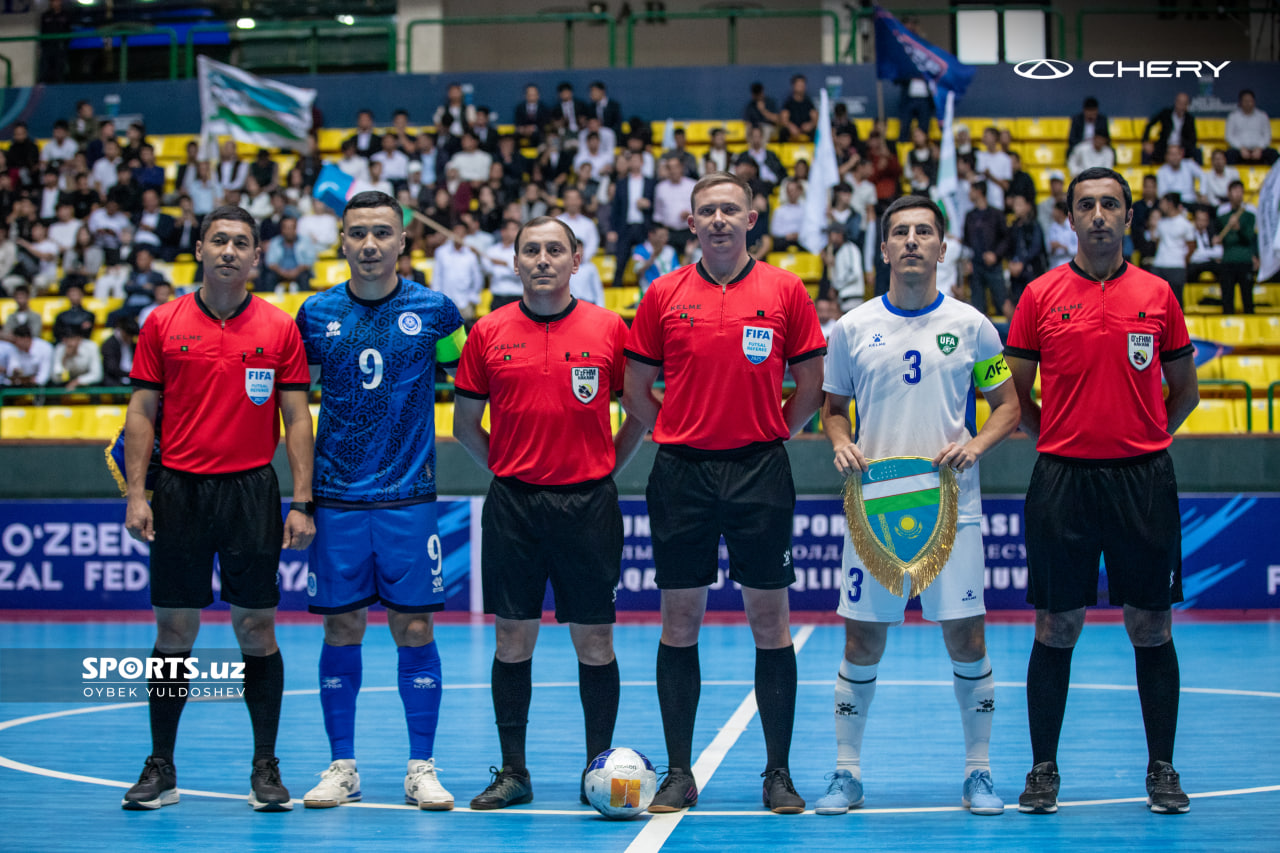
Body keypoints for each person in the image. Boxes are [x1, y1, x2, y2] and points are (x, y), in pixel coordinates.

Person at [622, 171, 827, 815]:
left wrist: (769, 433)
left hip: (759, 472)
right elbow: (634, 389)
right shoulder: (663, 293)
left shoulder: (785, 289)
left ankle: (778, 774)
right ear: (690, 222)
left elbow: (812, 388)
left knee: (771, 622)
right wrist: (673, 432)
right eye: (706, 210)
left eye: (728, 210)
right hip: (681, 473)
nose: (717, 220)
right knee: (679, 622)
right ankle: (679, 772)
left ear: (750, 219)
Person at [814, 194, 1020, 817]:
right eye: (899, 232)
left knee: (966, 638)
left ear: (941, 246)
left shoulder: (973, 325)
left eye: (923, 232)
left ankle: (978, 773)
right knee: (861, 643)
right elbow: (831, 410)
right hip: (872, 509)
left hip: (952, 508)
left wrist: (976, 443)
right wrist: (842, 441)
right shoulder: (851, 329)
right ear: (883, 249)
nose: (910, 241)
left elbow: (1008, 406)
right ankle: (847, 774)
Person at [1004, 167, 1199, 816]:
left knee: (1150, 624)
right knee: (1056, 624)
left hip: (1143, 479)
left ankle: (1163, 768)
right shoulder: (1039, 294)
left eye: (1109, 204)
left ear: (1128, 216)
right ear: (1069, 218)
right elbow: (1016, 395)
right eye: (1085, 204)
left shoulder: (1158, 294)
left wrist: (1144, 437)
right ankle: (1042, 768)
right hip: (1063, 478)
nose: (1097, 215)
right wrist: (1059, 437)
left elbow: (1186, 390)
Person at [121, 205, 316, 812]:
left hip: (252, 492)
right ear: (200, 249)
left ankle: (265, 767)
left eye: (241, 243)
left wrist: (302, 500)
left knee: (256, 627)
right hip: (180, 492)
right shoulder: (162, 321)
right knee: (174, 629)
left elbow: (295, 419)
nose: (229, 251)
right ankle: (161, 767)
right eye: (219, 240)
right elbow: (141, 413)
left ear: (257, 256)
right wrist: (135, 492)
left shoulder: (280, 329)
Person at [453, 216, 646, 809]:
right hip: (513, 505)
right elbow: (464, 427)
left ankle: (600, 771)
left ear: (576, 258)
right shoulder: (487, 331)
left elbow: (638, 413)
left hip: (588, 504)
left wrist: (602, 467)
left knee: (595, 641)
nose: (542, 259)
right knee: (512, 638)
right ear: (513, 262)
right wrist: (512, 468)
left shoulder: (610, 328)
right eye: (530, 250)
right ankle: (514, 772)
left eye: (554, 249)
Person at [293, 191, 465, 811]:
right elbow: (291, 408)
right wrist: (301, 498)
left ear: (402, 242)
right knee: (341, 626)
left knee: (414, 625)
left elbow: (472, 380)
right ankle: (343, 766)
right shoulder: (314, 314)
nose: (369, 244)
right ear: (341, 240)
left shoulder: (438, 312)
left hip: (408, 496)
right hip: (336, 500)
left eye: (381, 234)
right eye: (358, 233)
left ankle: (422, 766)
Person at [1213, 180, 1259, 315]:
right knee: (1227, 298)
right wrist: (1217, 239)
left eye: (1241, 191)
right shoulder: (1223, 217)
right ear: (1229, 193)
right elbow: (1220, 238)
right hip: (1227, 260)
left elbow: (1249, 238)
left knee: (1247, 298)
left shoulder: (1249, 216)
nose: (1238, 194)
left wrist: (1239, 228)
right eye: (1235, 191)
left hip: (1245, 260)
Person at [1142, 93, 1199, 165]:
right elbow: (1149, 124)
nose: (1181, 105)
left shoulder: (1189, 119)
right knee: (1146, 152)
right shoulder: (1166, 113)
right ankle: (1147, 174)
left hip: (1181, 149)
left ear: (1187, 105)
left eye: (1184, 103)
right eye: (1179, 102)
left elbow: (1193, 138)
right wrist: (1146, 141)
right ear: (1176, 102)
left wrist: (1182, 149)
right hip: (1164, 146)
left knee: (1197, 152)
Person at [1224, 89, 1278, 166]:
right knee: (1229, 155)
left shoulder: (1262, 116)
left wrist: (1259, 148)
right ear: (1240, 102)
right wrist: (1241, 148)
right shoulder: (1233, 117)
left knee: (1274, 154)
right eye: (1245, 101)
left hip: (1259, 150)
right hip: (1239, 150)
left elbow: (1267, 136)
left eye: (1250, 101)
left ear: (1254, 102)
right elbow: (1229, 136)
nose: (1248, 103)